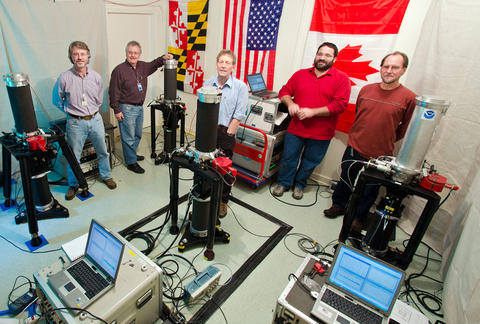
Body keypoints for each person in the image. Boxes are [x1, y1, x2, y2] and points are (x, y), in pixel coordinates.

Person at [323, 51, 416, 233]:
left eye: (395, 67)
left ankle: (359, 217)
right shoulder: (366, 90)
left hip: (381, 154)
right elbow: (360, 115)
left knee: (370, 189)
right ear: (381, 68)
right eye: (386, 66)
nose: (389, 71)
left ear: (403, 70)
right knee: (346, 178)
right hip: (355, 145)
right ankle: (339, 205)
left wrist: (386, 138)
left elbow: (405, 128)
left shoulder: (409, 98)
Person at [272, 42, 351, 200]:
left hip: (321, 132)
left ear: (334, 58)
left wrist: (312, 112)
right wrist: (291, 103)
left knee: (310, 161)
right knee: (288, 157)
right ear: (315, 55)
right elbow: (284, 91)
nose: (322, 58)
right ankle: (284, 183)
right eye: (320, 54)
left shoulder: (342, 79)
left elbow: (340, 105)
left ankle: (300, 185)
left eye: (327, 55)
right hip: (296, 128)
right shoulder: (300, 74)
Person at [53, 41, 116, 200]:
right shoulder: (64, 78)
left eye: (82, 54)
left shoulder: (95, 77)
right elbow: (57, 100)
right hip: (75, 123)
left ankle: (106, 175)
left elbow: (99, 99)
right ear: (71, 57)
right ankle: (74, 184)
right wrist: (72, 112)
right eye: (75, 54)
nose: (79, 57)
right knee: (73, 156)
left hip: (95, 119)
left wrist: (91, 112)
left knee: (102, 151)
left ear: (88, 56)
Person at [109, 41, 173, 174]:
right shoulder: (119, 70)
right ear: (126, 53)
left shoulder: (143, 66)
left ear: (139, 54)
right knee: (128, 136)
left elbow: (154, 64)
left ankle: (131, 154)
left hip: (139, 108)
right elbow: (113, 91)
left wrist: (163, 58)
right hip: (126, 108)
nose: (133, 55)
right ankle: (131, 162)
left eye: (135, 53)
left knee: (137, 134)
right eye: (130, 52)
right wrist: (116, 110)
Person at [203, 49, 248, 217]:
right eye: (221, 62)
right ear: (216, 64)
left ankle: (223, 201)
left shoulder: (240, 87)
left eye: (227, 62)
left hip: (226, 133)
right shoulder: (207, 84)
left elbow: (239, 114)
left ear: (233, 67)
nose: (223, 65)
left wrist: (228, 135)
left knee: (225, 169)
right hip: (208, 132)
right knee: (206, 165)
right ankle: (206, 196)